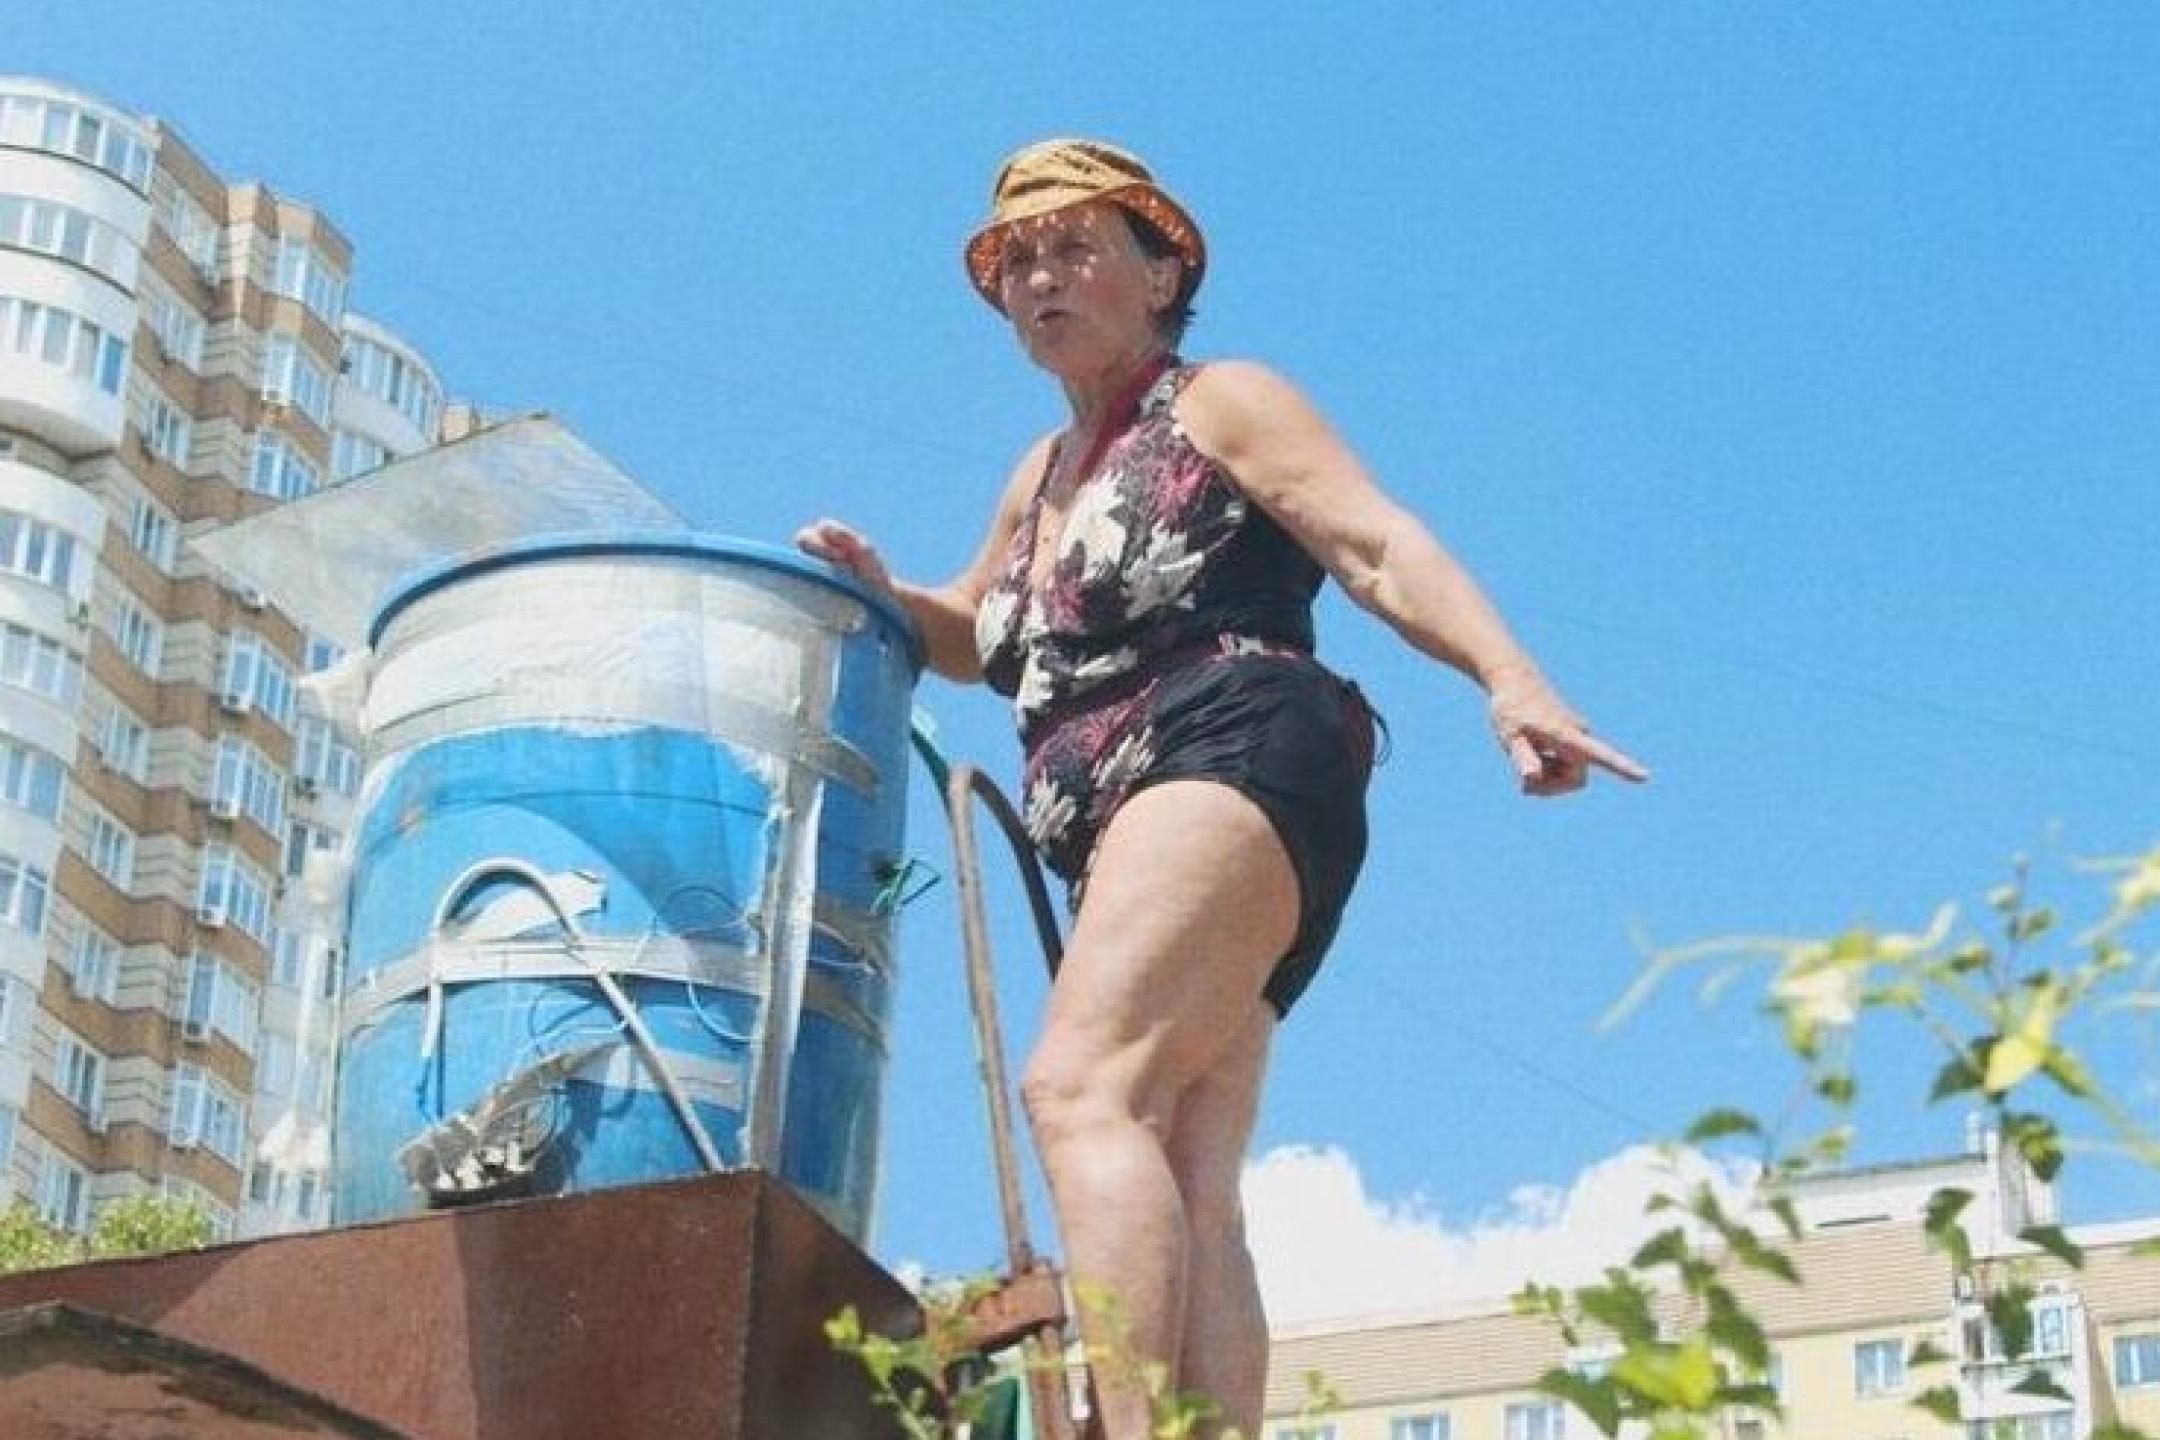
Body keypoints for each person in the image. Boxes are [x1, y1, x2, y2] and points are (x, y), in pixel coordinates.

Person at [798, 138, 1647, 1440]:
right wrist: (888, 595)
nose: (1039, 277)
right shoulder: (1036, 478)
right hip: (1127, 814)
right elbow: (977, 634)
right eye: (1017, 260)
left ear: (1159, 270)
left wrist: (1510, 676)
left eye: (1073, 246)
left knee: (1082, 1090)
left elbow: (1371, 541)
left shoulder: (1216, 402)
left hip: (1228, 738)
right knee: (1188, 1165)